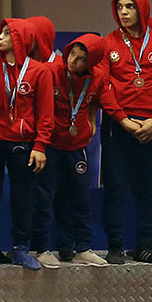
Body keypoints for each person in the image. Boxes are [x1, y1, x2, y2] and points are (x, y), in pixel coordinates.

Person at [101, 0, 152, 265]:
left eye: (130, 7)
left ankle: (146, 245)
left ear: (143, 9)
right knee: (115, 186)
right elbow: (103, 85)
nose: (123, 12)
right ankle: (114, 245)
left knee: (150, 187)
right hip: (118, 124)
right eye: (119, 7)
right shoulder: (107, 44)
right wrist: (122, 119)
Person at [0, 17, 53, 269]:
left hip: (23, 142)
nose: (0, 37)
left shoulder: (40, 71)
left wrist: (40, 146)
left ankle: (21, 247)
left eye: (7, 33)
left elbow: (46, 113)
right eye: (1, 32)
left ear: (21, 39)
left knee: (23, 197)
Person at [35, 35, 116, 267]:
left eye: (81, 59)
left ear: (91, 63)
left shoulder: (97, 78)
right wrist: (40, 144)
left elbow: (95, 100)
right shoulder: (50, 72)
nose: (73, 61)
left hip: (76, 146)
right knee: (44, 198)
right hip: (50, 144)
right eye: (72, 54)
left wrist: (90, 121)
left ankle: (82, 248)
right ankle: (42, 249)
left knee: (79, 199)